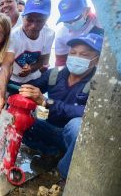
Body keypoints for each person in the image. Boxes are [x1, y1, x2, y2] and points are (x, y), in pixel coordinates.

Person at [19, 33, 103, 181]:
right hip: (48, 125)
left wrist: (47, 102)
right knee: (21, 115)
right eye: (73, 52)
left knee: (77, 126)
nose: (76, 57)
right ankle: (50, 152)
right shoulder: (55, 73)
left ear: (96, 60)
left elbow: (88, 112)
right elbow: (30, 88)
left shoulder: (99, 84)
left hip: (69, 136)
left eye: (83, 55)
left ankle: (65, 174)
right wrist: (4, 85)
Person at [0, 0, 55, 115]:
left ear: (46, 19)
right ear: (23, 16)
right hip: (12, 80)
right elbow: (7, 65)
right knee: (5, 112)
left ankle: (50, 113)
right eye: (29, 20)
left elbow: (44, 60)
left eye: (40, 21)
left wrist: (32, 68)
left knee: (55, 73)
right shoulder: (14, 36)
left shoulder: (49, 34)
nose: (33, 26)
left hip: (33, 81)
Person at [55, 0, 104, 68]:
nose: (71, 23)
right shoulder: (61, 36)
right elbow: (60, 62)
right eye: (66, 21)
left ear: (87, 11)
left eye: (75, 18)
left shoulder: (101, 21)